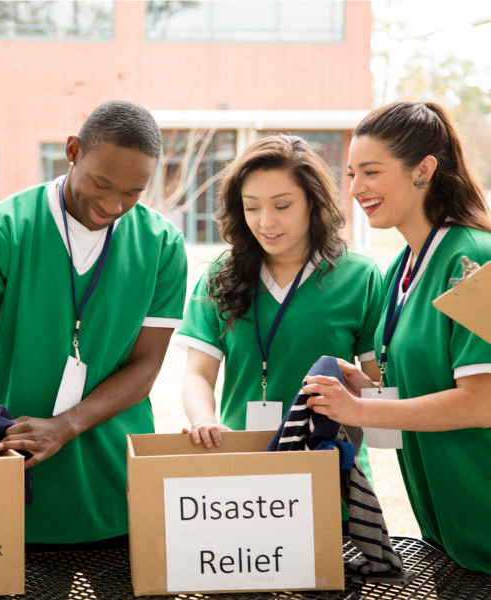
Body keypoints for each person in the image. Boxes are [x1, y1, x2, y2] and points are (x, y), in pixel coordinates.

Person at [0, 100, 187, 547]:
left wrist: (65, 425)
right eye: (102, 183)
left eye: (132, 193)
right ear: (72, 151)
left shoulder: (162, 244)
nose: (113, 204)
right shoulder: (2, 228)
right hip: (21, 479)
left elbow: (146, 366)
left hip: (120, 486)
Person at [303, 100, 491, 575]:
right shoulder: (398, 271)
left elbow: (482, 402)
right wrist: (364, 388)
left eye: (371, 172)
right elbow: (428, 388)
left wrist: (360, 411)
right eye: (351, 175)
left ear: (422, 170)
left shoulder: (476, 260)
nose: (355, 189)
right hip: (447, 528)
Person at [176, 135, 382, 486]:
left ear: (313, 201)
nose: (266, 222)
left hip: (331, 467)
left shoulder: (361, 277)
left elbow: (377, 384)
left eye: (282, 205)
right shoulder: (219, 275)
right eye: (252, 207)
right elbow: (197, 374)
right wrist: (203, 420)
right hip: (244, 467)